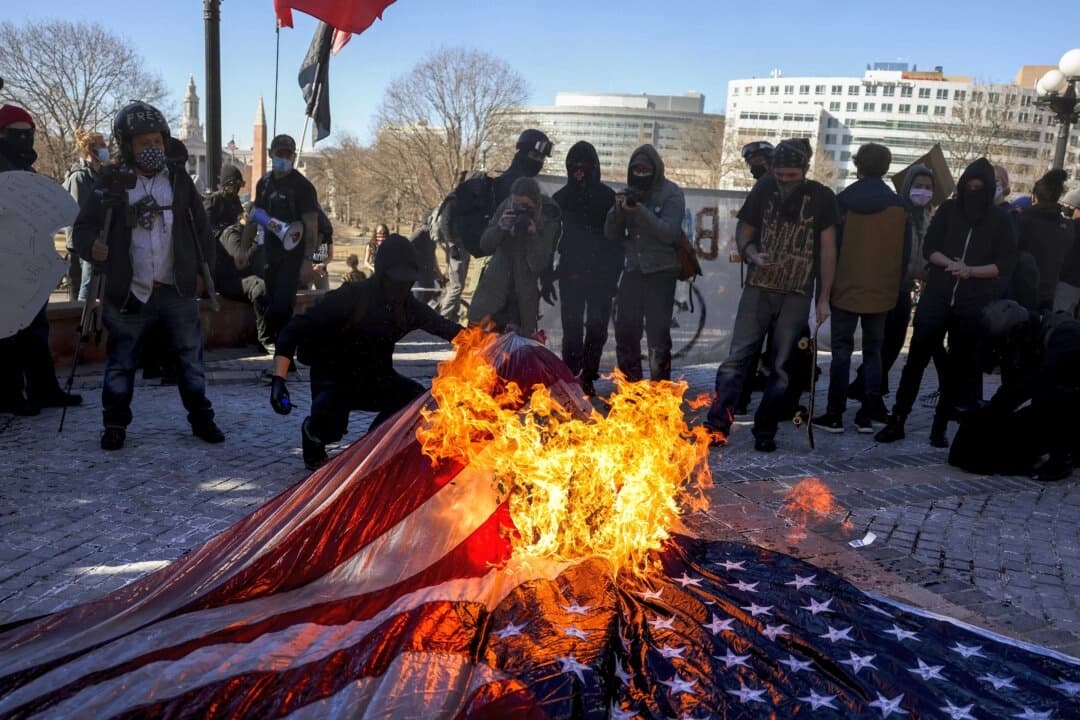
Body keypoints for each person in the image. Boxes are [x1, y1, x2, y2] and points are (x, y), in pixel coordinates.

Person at [72, 101, 223, 450]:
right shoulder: (109, 182)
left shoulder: (180, 180)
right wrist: (91, 247)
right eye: (143, 143)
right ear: (127, 145)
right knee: (121, 362)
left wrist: (203, 274)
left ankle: (201, 418)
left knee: (191, 358)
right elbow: (82, 229)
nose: (152, 149)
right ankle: (114, 424)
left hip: (176, 288)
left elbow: (202, 231)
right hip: (128, 291)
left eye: (157, 141)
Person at [269, 234, 463, 470]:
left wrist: (494, 342)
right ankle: (313, 434)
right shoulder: (351, 297)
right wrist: (279, 379)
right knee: (331, 427)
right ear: (382, 275)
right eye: (396, 280)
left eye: (407, 281)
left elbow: (451, 331)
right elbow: (293, 330)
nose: (401, 288)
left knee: (414, 400)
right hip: (334, 379)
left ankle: (373, 448)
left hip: (376, 377)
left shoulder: (410, 308)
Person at [703, 138, 838, 453]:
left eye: (792, 175)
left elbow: (829, 251)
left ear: (805, 169)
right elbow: (744, 232)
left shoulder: (822, 197)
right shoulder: (763, 189)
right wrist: (751, 253)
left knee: (781, 366)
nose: (785, 181)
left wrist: (824, 297)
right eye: (780, 175)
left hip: (797, 291)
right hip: (759, 288)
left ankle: (765, 429)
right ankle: (718, 424)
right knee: (737, 358)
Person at [876, 157, 1017, 447]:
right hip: (937, 295)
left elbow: (1005, 263)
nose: (974, 191)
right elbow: (930, 247)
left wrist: (970, 271)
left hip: (972, 300)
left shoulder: (1000, 219)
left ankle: (939, 426)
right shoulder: (950, 210)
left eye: (980, 187)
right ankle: (898, 418)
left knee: (956, 368)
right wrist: (951, 266)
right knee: (916, 360)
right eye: (970, 186)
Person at [812, 143, 905, 434]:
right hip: (883, 290)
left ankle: (835, 413)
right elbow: (905, 254)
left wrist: (823, 292)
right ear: (886, 168)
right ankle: (868, 414)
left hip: (845, 287)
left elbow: (829, 249)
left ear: (858, 166)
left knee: (841, 350)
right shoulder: (899, 208)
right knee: (874, 351)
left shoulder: (843, 202)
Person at [0, 104, 83, 416]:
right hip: (6, 262)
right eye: (16, 133)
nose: (24, 139)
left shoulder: (26, 167)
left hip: (30, 260)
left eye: (28, 133)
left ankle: (43, 388)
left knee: (35, 329)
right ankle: (9, 394)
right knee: (7, 330)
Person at [954, 300, 1080, 481]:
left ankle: (1063, 458)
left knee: (1054, 399)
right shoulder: (1035, 333)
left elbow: (1033, 384)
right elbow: (1016, 384)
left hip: (1071, 396)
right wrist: (988, 415)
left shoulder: (1066, 336)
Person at [851, 163, 946, 401]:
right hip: (884, 287)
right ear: (907, 187)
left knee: (892, 345)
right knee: (881, 346)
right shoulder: (895, 211)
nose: (923, 191)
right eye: (918, 186)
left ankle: (865, 387)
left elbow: (921, 255)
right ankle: (872, 395)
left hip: (904, 288)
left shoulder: (928, 216)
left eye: (928, 187)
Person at [438, 129, 553, 322]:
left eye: (542, 158)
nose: (538, 162)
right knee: (483, 337)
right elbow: (485, 243)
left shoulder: (536, 191)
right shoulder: (503, 186)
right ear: (522, 153)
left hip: (522, 275)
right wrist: (501, 226)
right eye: (534, 156)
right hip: (493, 270)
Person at [605, 144, 686, 383]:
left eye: (644, 169)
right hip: (633, 270)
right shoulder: (628, 192)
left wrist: (640, 210)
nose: (640, 173)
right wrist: (617, 210)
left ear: (655, 169)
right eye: (635, 168)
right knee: (625, 332)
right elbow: (611, 234)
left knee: (658, 338)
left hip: (662, 272)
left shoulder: (671, 193)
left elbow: (669, 233)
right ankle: (631, 393)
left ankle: (659, 394)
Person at [552, 141, 620, 396]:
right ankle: (572, 376)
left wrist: (614, 277)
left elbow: (617, 243)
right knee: (571, 327)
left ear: (594, 167)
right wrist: (548, 275)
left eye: (584, 166)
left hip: (601, 276)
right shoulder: (561, 199)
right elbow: (550, 239)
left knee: (596, 327)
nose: (579, 171)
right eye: (574, 166)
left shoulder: (607, 198)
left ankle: (587, 376)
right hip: (571, 273)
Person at [238, 134, 320, 345]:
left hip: (294, 256)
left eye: (288, 154)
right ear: (270, 154)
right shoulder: (264, 183)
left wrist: (308, 260)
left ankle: (285, 360)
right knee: (270, 302)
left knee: (283, 305)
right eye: (279, 153)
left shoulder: (303, 187)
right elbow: (254, 217)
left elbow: (311, 227)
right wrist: (243, 249)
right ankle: (277, 353)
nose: (283, 158)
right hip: (270, 253)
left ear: (293, 156)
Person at [468, 177, 561, 337]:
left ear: (536, 203)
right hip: (495, 290)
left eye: (525, 206)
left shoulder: (548, 215)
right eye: (516, 205)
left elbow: (538, 264)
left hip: (522, 297)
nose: (520, 210)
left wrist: (533, 235)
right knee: (481, 348)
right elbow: (485, 245)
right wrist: (500, 228)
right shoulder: (507, 206)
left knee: (514, 353)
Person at [214, 206, 273, 352]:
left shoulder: (261, 234)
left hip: (251, 278)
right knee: (260, 288)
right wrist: (258, 241)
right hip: (232, 281)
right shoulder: (232, 232)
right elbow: (240, 263)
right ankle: (266, 340)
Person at [63, 130, 109, 301]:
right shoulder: (79, 178)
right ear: (90, 149)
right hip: (83, 245)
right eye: (102, 146)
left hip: (101, 242)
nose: (106, 149)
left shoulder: (104, 175)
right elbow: (78, 216)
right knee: (87, 290)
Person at [1017, 169, 1073, 312]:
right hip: (1048, 296)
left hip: (1018, 294)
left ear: (1034, 197)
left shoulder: (1022, 220)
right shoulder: (1067, 227)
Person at [409, 210, 446, 307]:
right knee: (416, 303)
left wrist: (440, 274)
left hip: (429, 275)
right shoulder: (419, 233)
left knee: (429, 304)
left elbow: (433, 257)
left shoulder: (432, 235)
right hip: (417, 276)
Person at [1054, 188, 1080, 315]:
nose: (1064, 208)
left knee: (1059, 318)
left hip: (1068, 282)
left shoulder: (1073, 227)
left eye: (1067, 206)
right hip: (1073, 283)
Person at [204, 163, 245, 237]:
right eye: (234, 186)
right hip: (218, 244)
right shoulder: (213, 201)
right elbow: (207, 229)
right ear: (225, 185)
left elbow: (241, 218)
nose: (236, 189)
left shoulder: (235, 200)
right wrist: (227, 231)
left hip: (233, 240)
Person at [307, 207, 334, 290]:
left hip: (322, 272)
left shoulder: (326, 235)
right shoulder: (307, 235)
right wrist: (311, 267)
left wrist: (322, 264)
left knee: (325, 296)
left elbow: (330, 256)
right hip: (307, 272)